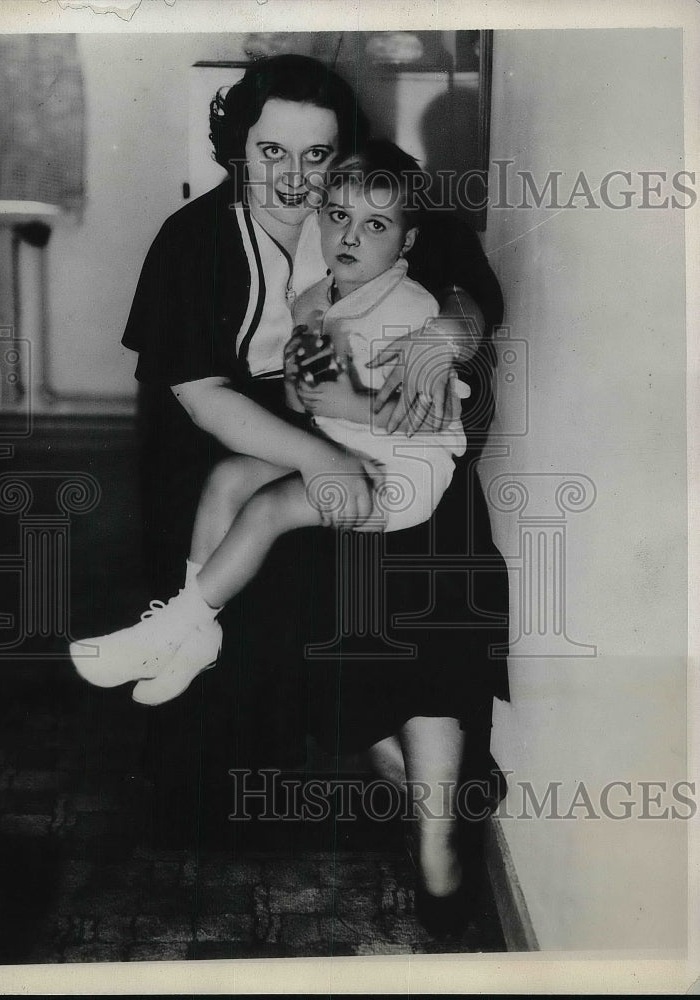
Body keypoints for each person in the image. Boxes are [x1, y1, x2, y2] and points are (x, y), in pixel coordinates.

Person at [76, 54, 510, 929]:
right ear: (238, 146)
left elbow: (473, 289)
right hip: (259, 447)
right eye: (271, 150)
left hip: (391, 456)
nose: (293, 176)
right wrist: (318, 456)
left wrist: (449, 331)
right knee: (271, 560)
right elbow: (203, 397)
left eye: (316, 155)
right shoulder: (193, 240)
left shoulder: (368, 202)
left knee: (433, 571)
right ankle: (364, 754)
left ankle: (431, 813)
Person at [71, 140, 474, 707]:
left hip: (405, 475)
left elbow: (430, 416)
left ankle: (171, 629)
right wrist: (311, 361)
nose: (350, 237)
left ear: (406, 241)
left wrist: (342, 403)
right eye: (338, 216)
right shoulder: (318, 296)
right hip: (345, 447)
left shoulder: (409, 309)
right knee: (228, 477)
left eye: (376, 225)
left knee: (268, 508)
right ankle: (197, 637)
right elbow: (299, 394)